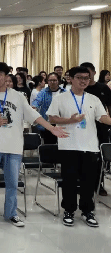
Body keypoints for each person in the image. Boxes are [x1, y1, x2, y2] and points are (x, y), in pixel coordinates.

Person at [0, 62, 68, 229]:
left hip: (13, 147)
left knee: (12, 184)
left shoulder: (18, 97)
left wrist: (51, 128)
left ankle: (11, 213)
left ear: (6, 76)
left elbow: (35, 116)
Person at [47, 66, 111, 227]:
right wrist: (70, 120)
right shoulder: (60, 98)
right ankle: (69, 210)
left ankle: (87, 211)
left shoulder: (93, 99)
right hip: (68, 145)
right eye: (80, 78)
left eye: (86, 78)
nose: (83, 81)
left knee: (88, 181)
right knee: (69, 180)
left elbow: (102, 117)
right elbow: (52, 118)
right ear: (71, 79)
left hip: (90, 146)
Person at [80, 62, 111, 196]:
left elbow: (109, 105)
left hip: (101, 127)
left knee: (99, 156)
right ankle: (81, 183)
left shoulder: (103, 88)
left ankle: (99, 183)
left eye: (88, 72)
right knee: (83, 156)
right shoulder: (80, 89)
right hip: (83, 127)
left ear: (94, 73)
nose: (86, 76)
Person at [31, 72, 67, 144]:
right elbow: (37, 101)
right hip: (48, 123)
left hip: (62, 123)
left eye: (54, 80)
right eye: (50, 80)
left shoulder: (64, 92)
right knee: (49, 145)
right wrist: (34, 107)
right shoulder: (43, 92)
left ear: (58, 81)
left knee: (62, 145)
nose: (52, 82)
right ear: (47, 81)